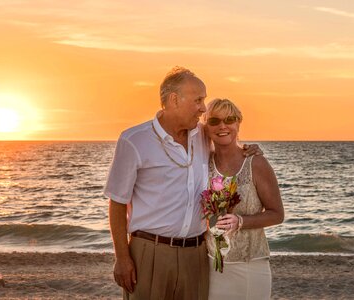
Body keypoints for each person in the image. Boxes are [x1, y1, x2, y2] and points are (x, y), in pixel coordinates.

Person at [104, 67, 260, 300]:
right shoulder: (134, 140)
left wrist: (249, 149)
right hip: (149, 254)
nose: (203, 108)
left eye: (204, 100)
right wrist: (122, 258)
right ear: (174, 100)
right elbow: (117, 203)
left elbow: (227, 140)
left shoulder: (203, 135)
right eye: (198, 100)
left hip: (196, 255)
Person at [203, 98, 284, 300]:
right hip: (211, 266)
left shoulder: (256, 163)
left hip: (250, 266)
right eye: (214, 121)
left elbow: (277, 214)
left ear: (238, 123)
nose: (222, 126)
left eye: (229, 119)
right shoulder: (201, 164)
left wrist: (241, 222)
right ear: (206, 127)